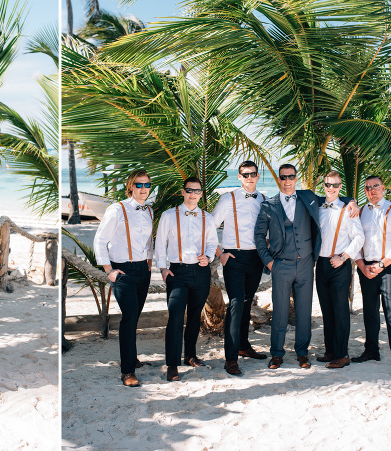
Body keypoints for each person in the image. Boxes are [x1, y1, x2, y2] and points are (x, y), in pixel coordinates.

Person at [254, 164, 358, 370]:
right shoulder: (268, 205)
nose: (287, 181)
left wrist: (352, 201)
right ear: (279, 180)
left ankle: (302, 353)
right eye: (283, 177)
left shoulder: (308, 198)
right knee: (280, 312)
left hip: (305, 265)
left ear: (295, 178)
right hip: (280, 265)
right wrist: (269, 262)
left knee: (304, 312)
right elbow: (258, 236)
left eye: (290, 176)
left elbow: (332, 198)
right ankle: (276, 354)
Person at [93, 169, 154, 387]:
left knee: (135, 317)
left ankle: (133, 358)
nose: (143, 189)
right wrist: (109, 270)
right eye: (139, 185)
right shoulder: (117, 210)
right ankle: (127, 371)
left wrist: (149, 260)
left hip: (142, 271)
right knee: (128, 318)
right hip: (123, 272)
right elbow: (100, 241)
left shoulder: (149, 210)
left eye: (147, 185)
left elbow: (148, 241)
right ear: (130, 187)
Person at [155, 177, 217, 381]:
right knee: (175, 318)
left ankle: (190, 355)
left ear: (201, 194)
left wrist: (207, 257)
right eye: (189, 190)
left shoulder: (208, 217)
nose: (193, 194)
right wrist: (163, 268)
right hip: (177, 273)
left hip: (200, 273)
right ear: (183, 192)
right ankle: (172, 364)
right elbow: (160, 244)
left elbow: (212, 243)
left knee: (194, 316)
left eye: (197, 191)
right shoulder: (168, 216)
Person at [211, 161, 269, 376]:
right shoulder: (228, 199)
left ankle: (244, 346)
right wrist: (220, 254)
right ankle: (231, 358)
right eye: (245, 174)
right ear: (239, 177)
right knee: (235, 304)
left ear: (257, 175)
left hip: (256, 257)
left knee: (246, 303)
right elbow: (210, 228)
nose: (249, 178)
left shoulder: (263, 199)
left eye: (253, 174)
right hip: (233, 257)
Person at [354, 175, 391, 382]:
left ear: (383, 188)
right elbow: (356, 240)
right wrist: (362, 265)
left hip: (388, 268)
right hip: (366, 268)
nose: (372, 190)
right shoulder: (361, 211)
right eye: (368, 188)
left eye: (376, 186)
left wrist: (380, 265)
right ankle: (371, 351)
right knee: (370, 312)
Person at [314, 171, 364, 369]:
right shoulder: (318, 207)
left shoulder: (347, 209)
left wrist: (343, 257)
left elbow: (359, 238)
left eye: (335, 185)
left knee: (340, 310)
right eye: (328, 185)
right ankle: (330, 352)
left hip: (340, 264)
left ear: (340, 186)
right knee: (326, 310)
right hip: (321, 264)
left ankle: (342, 354)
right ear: (324, 186)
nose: (331, 188)